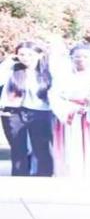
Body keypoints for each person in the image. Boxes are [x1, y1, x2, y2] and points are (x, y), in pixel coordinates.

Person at [50, 43, 90, 178]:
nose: (81, 59)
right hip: (71, 116)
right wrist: (71, 108)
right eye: (77, 56)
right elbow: (55, 96)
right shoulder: (62, 77)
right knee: (72, 148)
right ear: (71, 58)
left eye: (85, 56)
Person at [0, 40, 56, 176]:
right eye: (22, 54)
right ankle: (20, 176)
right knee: (18, 148)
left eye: (30, 54)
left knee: (42, 146)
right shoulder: (12, 69)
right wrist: (8, 62)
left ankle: (44, 176)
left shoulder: (48, 70)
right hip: (14, 111)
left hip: (41, 111)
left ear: (40, 55)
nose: (26, 58)